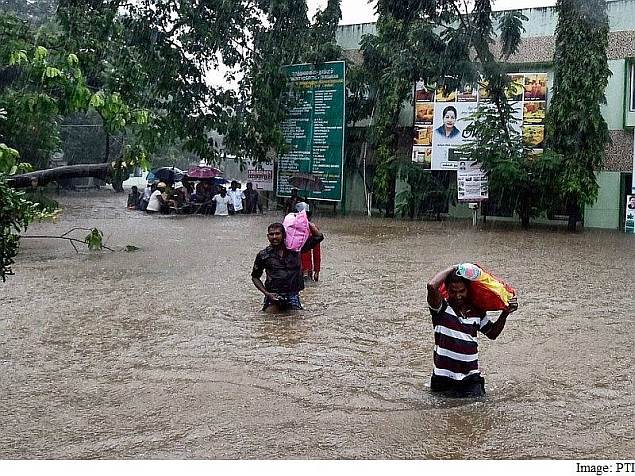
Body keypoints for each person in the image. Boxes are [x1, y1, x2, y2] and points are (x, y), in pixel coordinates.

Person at [426, 264, 518, 397]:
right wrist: (454, 267)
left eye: (461, 291)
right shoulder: (441, 309)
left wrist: (505, 314)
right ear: (447, 290)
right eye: (453, 291)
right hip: (443, 379)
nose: (458, 296)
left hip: (470, 379)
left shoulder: (476, 311)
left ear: (468, 290)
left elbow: (492, 333)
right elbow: (431, 286)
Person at [251, 221, 324, 312]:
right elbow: (255, 277)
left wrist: (306, 222)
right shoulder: (263, 255)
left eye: (277, 234)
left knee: (296, 321)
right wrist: (266, 293)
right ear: (267, 236)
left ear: (284, 235)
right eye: (271, 234)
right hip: (273, 295)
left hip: (292, 295)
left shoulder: (296, 249)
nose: (274, 237)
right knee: (268, 320)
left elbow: (318, 237)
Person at [296, 202, 321, 282]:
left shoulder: (313, 229)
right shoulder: (288, 229)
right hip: (293, 269)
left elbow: (316, 252)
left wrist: (317, 271)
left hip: (305, 271)